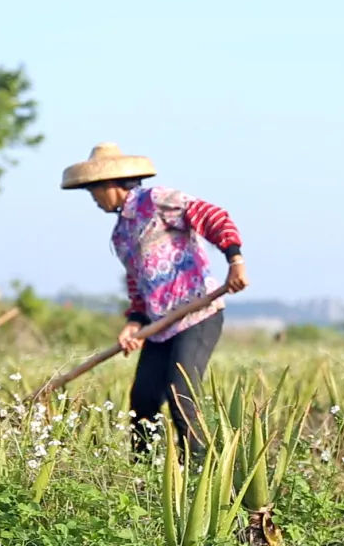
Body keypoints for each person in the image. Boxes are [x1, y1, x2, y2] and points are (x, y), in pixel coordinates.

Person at [60, 142, 249, 459]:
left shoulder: (157, 200)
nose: (93, 199)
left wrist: (235, 259)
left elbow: (212, 215)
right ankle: (142, 473)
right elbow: (138, 286)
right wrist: (133, 323)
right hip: (160, 325)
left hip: (197, 314)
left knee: (181, 393)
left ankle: (200, 471)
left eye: (94, 191)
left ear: (110, 185)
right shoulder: (120, 234)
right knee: (143, 401)